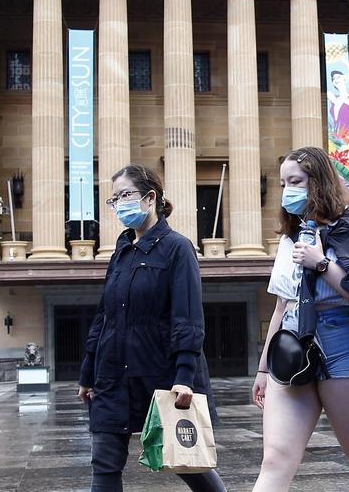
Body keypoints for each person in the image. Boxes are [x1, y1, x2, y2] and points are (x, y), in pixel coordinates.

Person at [250, 146, 349, 492]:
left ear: (318, 182)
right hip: (292, 345)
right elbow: (282, 305)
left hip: (344, 342)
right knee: (275, 457)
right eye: (283, 183)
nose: (287, 191)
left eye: (295, 181)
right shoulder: (289, 236)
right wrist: (264, 368)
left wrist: (322, 264)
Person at [78, 164, 227, 492]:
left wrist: (185, 377)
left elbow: (187, 317)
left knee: (188, 461)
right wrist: (88, 374)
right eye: (114, 198)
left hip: (158, 374)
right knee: (103, 463)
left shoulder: (177, 248)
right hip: (112, 375)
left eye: (125, 195)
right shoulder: (121, 250)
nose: (119, 203)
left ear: (149, 197)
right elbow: (104, 316)